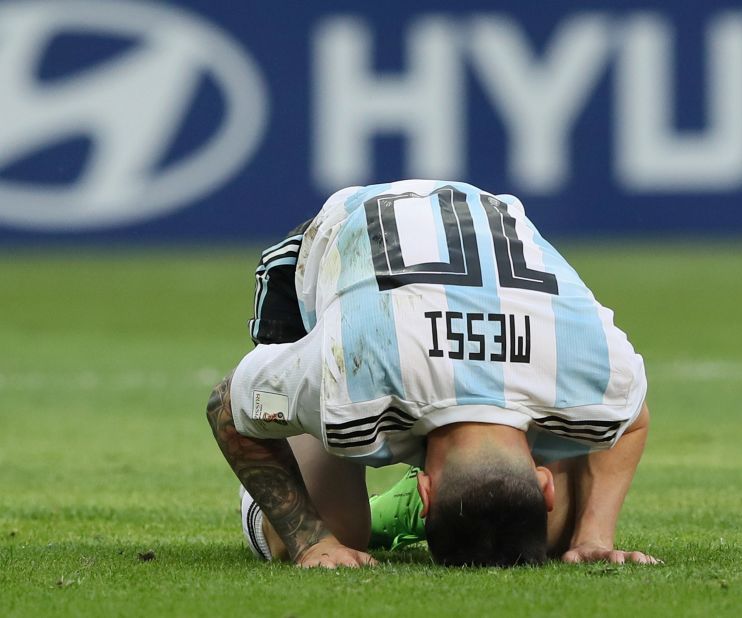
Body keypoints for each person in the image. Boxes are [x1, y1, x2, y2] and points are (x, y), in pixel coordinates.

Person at [206, 180, 659, 568]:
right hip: (328, 250)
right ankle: (312, 484)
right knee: (332, 528)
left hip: (464, 235)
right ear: (543, 482)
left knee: (547, 533)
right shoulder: (347, 377)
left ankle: (404, 504)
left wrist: (592, 539)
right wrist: (312, 541)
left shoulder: (599, 368)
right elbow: (225, 406)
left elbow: (631, 414)